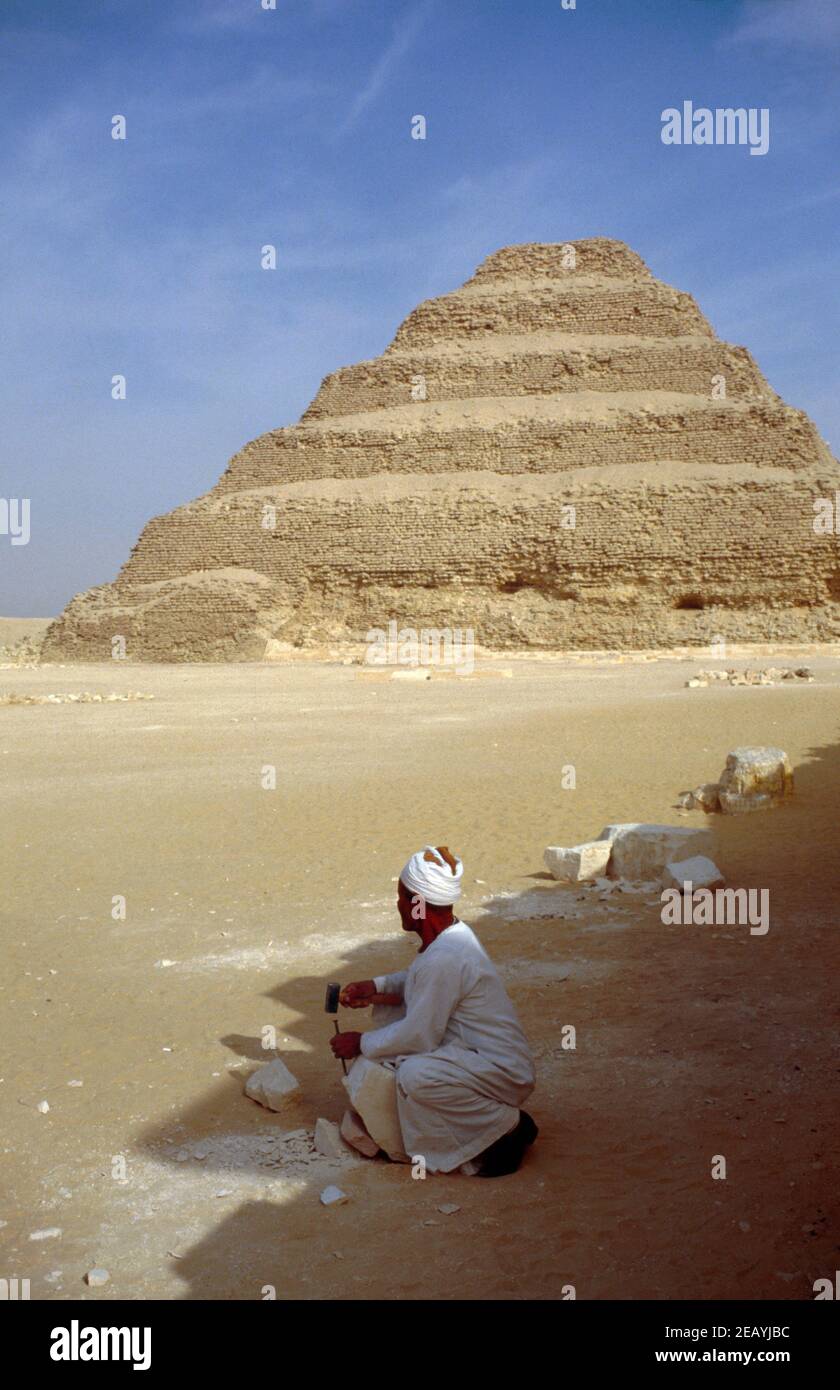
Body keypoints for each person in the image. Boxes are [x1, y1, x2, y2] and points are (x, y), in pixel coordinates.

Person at [330, 845, 537, 1177]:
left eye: (401, 897)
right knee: (406, 1059)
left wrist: (361, 1042)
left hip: (501, 1070)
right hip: (479, 1057)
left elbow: (420, 1035)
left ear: (417, 904)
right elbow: (421, 983)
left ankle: (505, 1128)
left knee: (416, 1075)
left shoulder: (446, 955)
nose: (398, 905)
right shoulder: (450, 938)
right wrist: (378, 987)